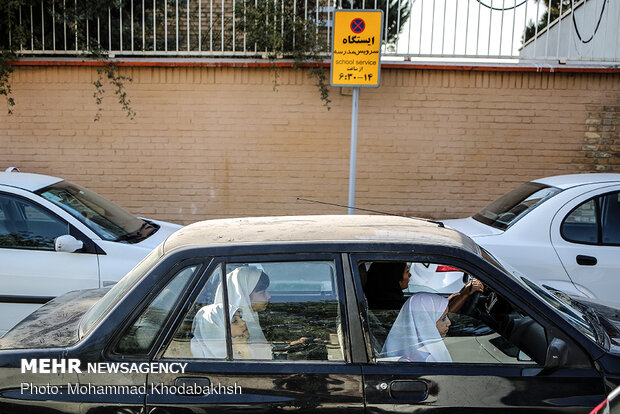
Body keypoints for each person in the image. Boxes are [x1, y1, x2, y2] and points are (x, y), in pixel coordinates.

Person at [381, 292, 453, 362]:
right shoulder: (423, 359)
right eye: (443, 318)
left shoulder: (395, 349)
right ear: (425, 321)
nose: (449, 323)